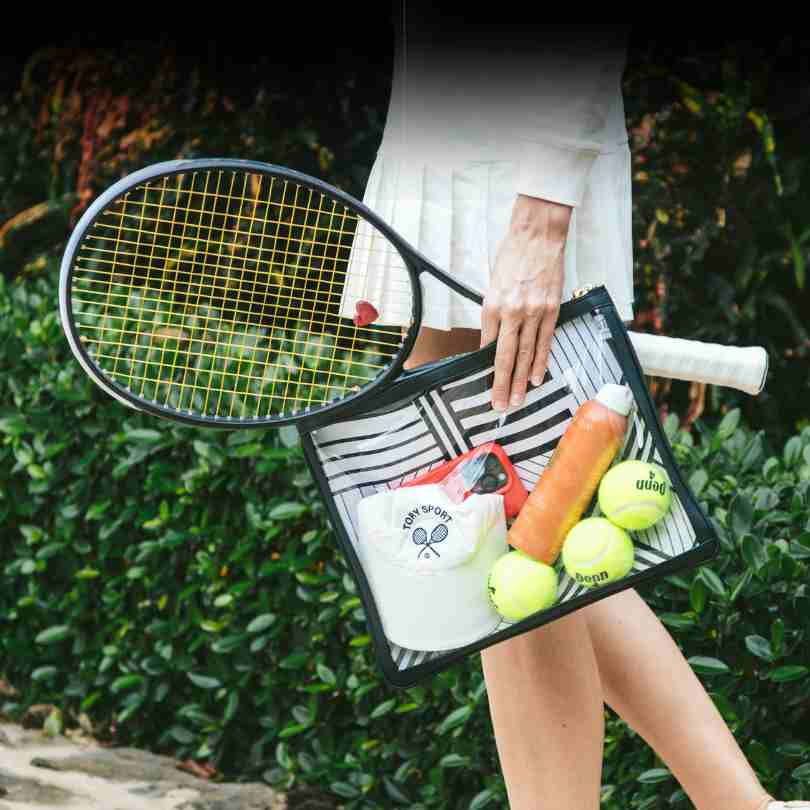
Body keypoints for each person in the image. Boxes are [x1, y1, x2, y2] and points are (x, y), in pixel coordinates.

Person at [353, 9, 806, 810]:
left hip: (510, 182)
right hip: (449, 152)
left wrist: (539, 216)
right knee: (514, 534)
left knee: (505, 535)